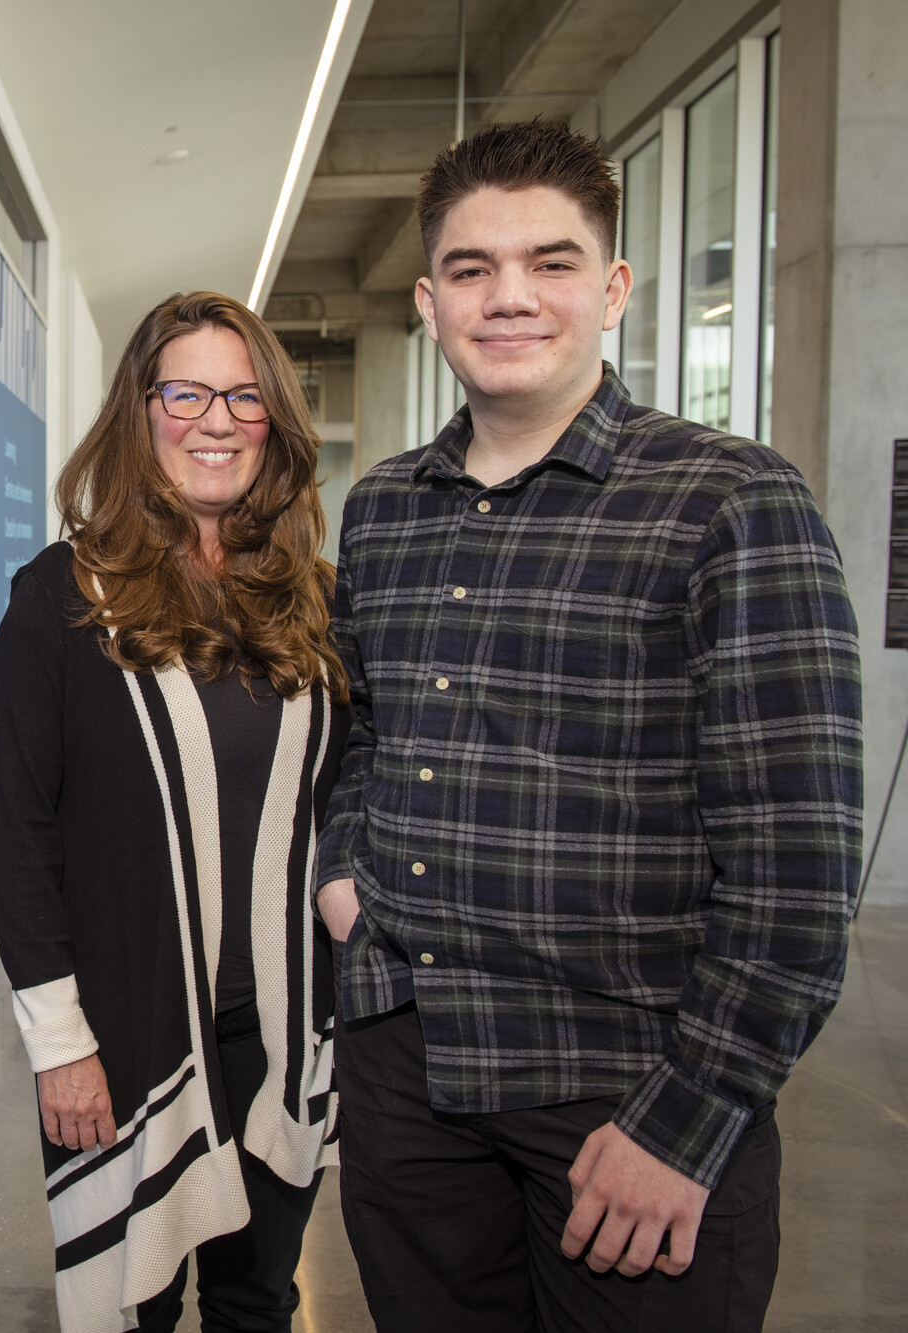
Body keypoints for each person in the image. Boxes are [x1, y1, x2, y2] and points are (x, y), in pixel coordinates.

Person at [315, 120, 863, 1333]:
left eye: (549, 263)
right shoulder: (381, 513)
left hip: (622, 1090)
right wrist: (342, 874)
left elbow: (797, 867)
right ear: (426, 300)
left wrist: (690, 1116)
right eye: (471, 269)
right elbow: (358, 730)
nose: (509, 296)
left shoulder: (727, 498)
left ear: (610, 289)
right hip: (409, 1076)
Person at [0, 290, 349, 1333]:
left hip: (280, 1034)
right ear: (138, 412)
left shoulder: (316, 603)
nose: (215, 420)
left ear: (272, 420)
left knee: (255, 1302)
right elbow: (16, 835)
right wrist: (59, 1043)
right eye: (184, 391)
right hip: (126, 1034)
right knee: (127, 1307)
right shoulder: (60, 598)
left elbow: (349, 794)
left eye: (243, 396)